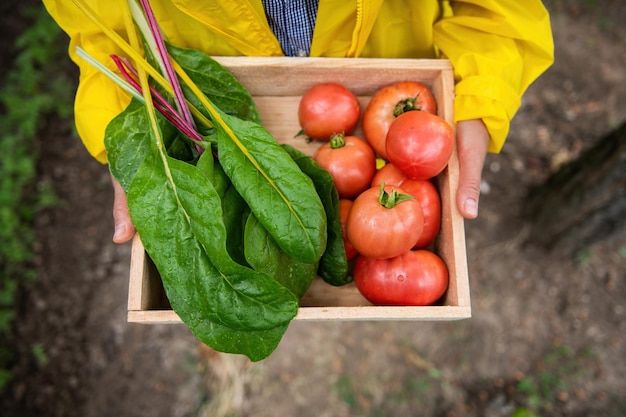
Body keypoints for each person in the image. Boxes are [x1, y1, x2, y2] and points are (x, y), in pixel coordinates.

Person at [42, 0, 554, 244]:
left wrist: (480, 92)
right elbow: (102, 32)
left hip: (392, 75)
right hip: (204, 94)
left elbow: (499, 13)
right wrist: (125, 128)